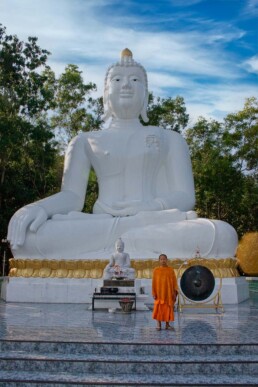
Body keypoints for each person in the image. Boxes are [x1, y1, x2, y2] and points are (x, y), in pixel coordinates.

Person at [7, 48, 238, 260]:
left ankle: (123, 240)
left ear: (145, 94)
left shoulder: (171, 138)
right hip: (101, 223)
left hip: (152, 221)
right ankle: (130, 240)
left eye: (135, 80)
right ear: (105, 93)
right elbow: (72, 198)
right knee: (25, 238)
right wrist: (38, 208)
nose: (126, 85)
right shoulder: (85, 140)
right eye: (117, 80)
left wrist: (151, 207)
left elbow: (186, 196)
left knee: (223, 235)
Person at [152, 254, 178, 330]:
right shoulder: (156, 270)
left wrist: (174, 291)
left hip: (168, 293)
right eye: (161, 259)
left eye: (164, 259)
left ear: (167, 260)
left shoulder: (170, 270)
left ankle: (167, 324)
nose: (163, 261)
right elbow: (154, 282)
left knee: (168, 307)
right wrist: (154, 292)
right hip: (159, 293)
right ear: (159, 260)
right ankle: (158, 324)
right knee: (159, 308)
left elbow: (174, 281)